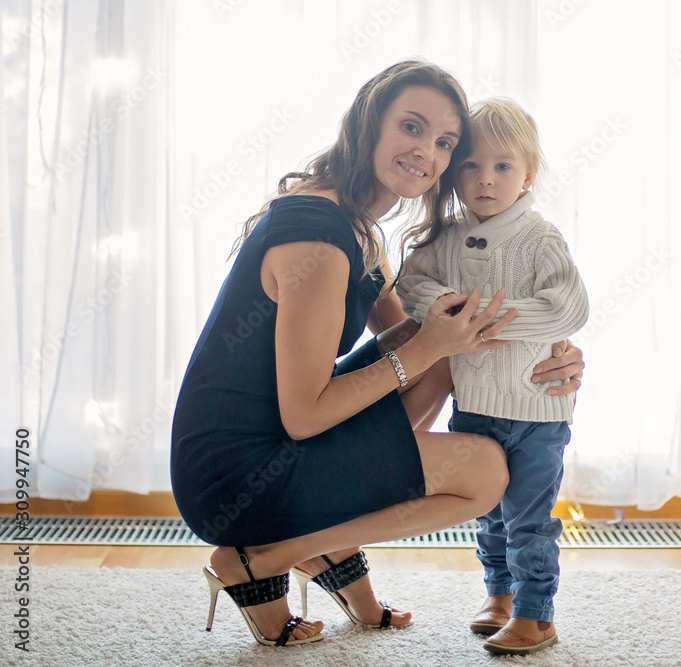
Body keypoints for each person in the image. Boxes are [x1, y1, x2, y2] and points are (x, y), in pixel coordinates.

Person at [170, 60, 585, 648]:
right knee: (487, 472)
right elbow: (305, 414)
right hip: (235, 474)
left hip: (277, 445)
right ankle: (275, 552)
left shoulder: (355, 223)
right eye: (412, 128)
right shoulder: (319, 235)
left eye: (444, 142)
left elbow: (427, 335)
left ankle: (322, 536)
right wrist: (433, 345)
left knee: (441, 340)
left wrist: (553, 350)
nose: (429, 153)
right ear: (369, 124)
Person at [396, 97, 589, 656]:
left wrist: (489, 321)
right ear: (454, 175)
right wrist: (452, 306)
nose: (486, 179)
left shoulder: (540, 237)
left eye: (503, 166)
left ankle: (536, 613)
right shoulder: (444, 239)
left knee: (529, 518)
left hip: (536, 409)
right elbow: (411, 289)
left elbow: (568, 306)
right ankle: (498, 594)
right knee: (486, 512)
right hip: (476, 404)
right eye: (472, 166)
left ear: (527, 174)